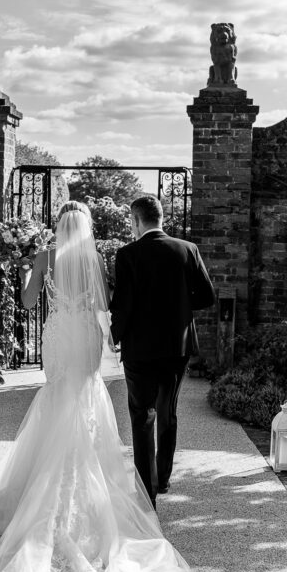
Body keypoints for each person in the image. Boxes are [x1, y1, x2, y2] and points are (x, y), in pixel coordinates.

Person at [0, 201, 192, 572]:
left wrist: (27, 270)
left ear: (57, 226)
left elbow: (30, 304)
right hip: (84, 335)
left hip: (59, 335)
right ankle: (90, 495)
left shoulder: (45, 257)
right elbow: (104, 305)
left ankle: (44, 491)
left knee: (57, 396)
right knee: (86, 397)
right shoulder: (96, 258)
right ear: (85, 227)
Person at [109, 196, 216, 506]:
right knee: (167, 410)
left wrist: (114, 336)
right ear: (160, 218)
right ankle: (164, 478)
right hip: (176, 346)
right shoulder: (187, 249)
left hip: (140, 348)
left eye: (131, 223)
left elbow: (124, 307)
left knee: (142, 415)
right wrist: (180, 307)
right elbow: (207, 297)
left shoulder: (128, 254)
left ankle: (146, 492)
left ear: (136, 220)